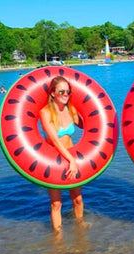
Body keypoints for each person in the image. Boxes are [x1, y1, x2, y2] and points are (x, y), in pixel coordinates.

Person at [39, 76, 87, 233]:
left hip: (71, 155)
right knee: (56, 203)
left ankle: (81, 229)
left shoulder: (70, 109)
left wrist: (85, 107)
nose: (65, 94)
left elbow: (86, 125)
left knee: (78, 199)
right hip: (53, 160)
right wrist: (72, 161)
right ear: (53, 93)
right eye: (61, 91)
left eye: (68, 91)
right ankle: (58, 238)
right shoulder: (45, 112)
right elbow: (55, 140)